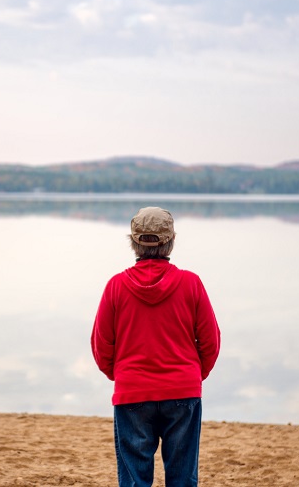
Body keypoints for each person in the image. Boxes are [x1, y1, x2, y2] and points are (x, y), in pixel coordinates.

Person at [91, 206, 221, 487]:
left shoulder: (116, 286)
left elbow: (101, 346)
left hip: (133, 392)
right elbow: (210, 342)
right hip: (183, 391)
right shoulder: (191, 283)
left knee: (135, 481)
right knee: (182, 479)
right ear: (171, 240)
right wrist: (193, 375)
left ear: (134, 242)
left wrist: (123, 376)